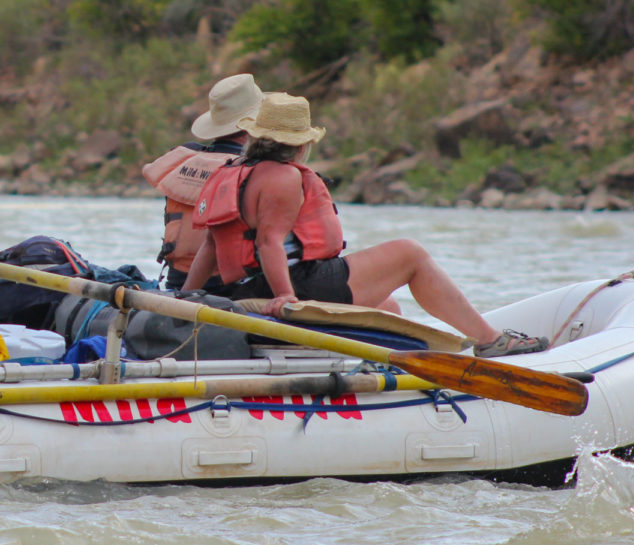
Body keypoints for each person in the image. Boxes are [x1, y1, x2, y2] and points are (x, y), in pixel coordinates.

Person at [182, 92, 548, 358]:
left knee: (387, 307)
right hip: (295, 283)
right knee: (411, 253)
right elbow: (269, 243)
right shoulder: (283, 178)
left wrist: (186, 297)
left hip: (242, 287)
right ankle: (489, 340)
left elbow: (211, 248)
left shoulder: (229, 174)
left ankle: (379, 367)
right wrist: (285, 298)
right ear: (299, 145)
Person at [141, 73, 264, 291]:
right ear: (252, 125)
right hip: (233, 287)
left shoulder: (183, 158)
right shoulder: (260, 170)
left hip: (176, 280)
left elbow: (149, 171)